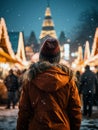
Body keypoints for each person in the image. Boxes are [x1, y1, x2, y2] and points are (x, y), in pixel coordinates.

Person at [17, 38, 82, 130]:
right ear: (58, 58)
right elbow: (75, 111)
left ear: (41, 57)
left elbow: (24, 112)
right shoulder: (68, 80)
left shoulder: (31, 80)